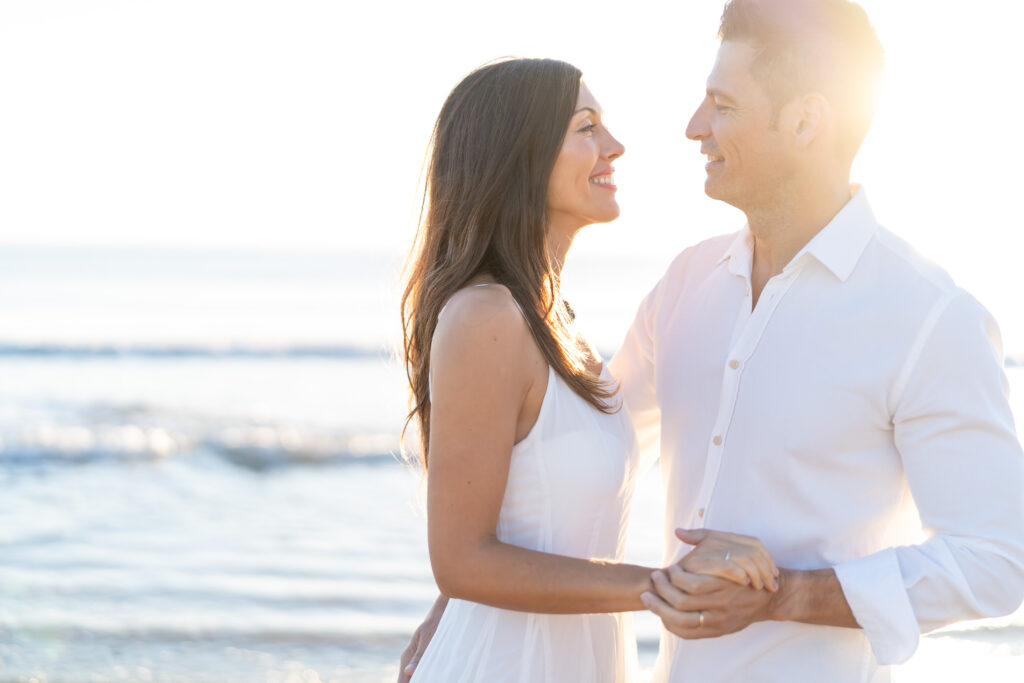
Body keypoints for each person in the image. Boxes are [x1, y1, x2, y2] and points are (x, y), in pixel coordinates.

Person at [612, 0, 1024, 681]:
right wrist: (464, 599)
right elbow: (586, 452)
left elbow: (999, 557)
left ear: (804, 121)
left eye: (722, 104)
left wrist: (788, 594)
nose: (694, 127)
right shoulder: (685, 281)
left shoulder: (929, 316)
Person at [397, 58, 778, 683]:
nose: (615, 146)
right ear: (520, 155)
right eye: (587, 127)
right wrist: (667, 585)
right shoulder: (486, 316)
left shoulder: (555, 322)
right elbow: (462, 560)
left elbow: (517, 520)